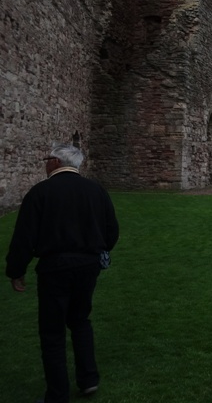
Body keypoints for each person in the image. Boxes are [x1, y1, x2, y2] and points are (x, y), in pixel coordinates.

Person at [5, 144, 119, 403]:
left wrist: (16, 270)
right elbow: (111, 230)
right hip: (87, 266)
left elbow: (24, 236)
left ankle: (57, 394)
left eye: (47, 159)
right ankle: (88, 379)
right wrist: (96, 250)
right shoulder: (96, 191)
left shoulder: (41, 192)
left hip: (54, 267)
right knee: (80, 321)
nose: (45, 163)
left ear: (56, 162)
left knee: (52, 331)